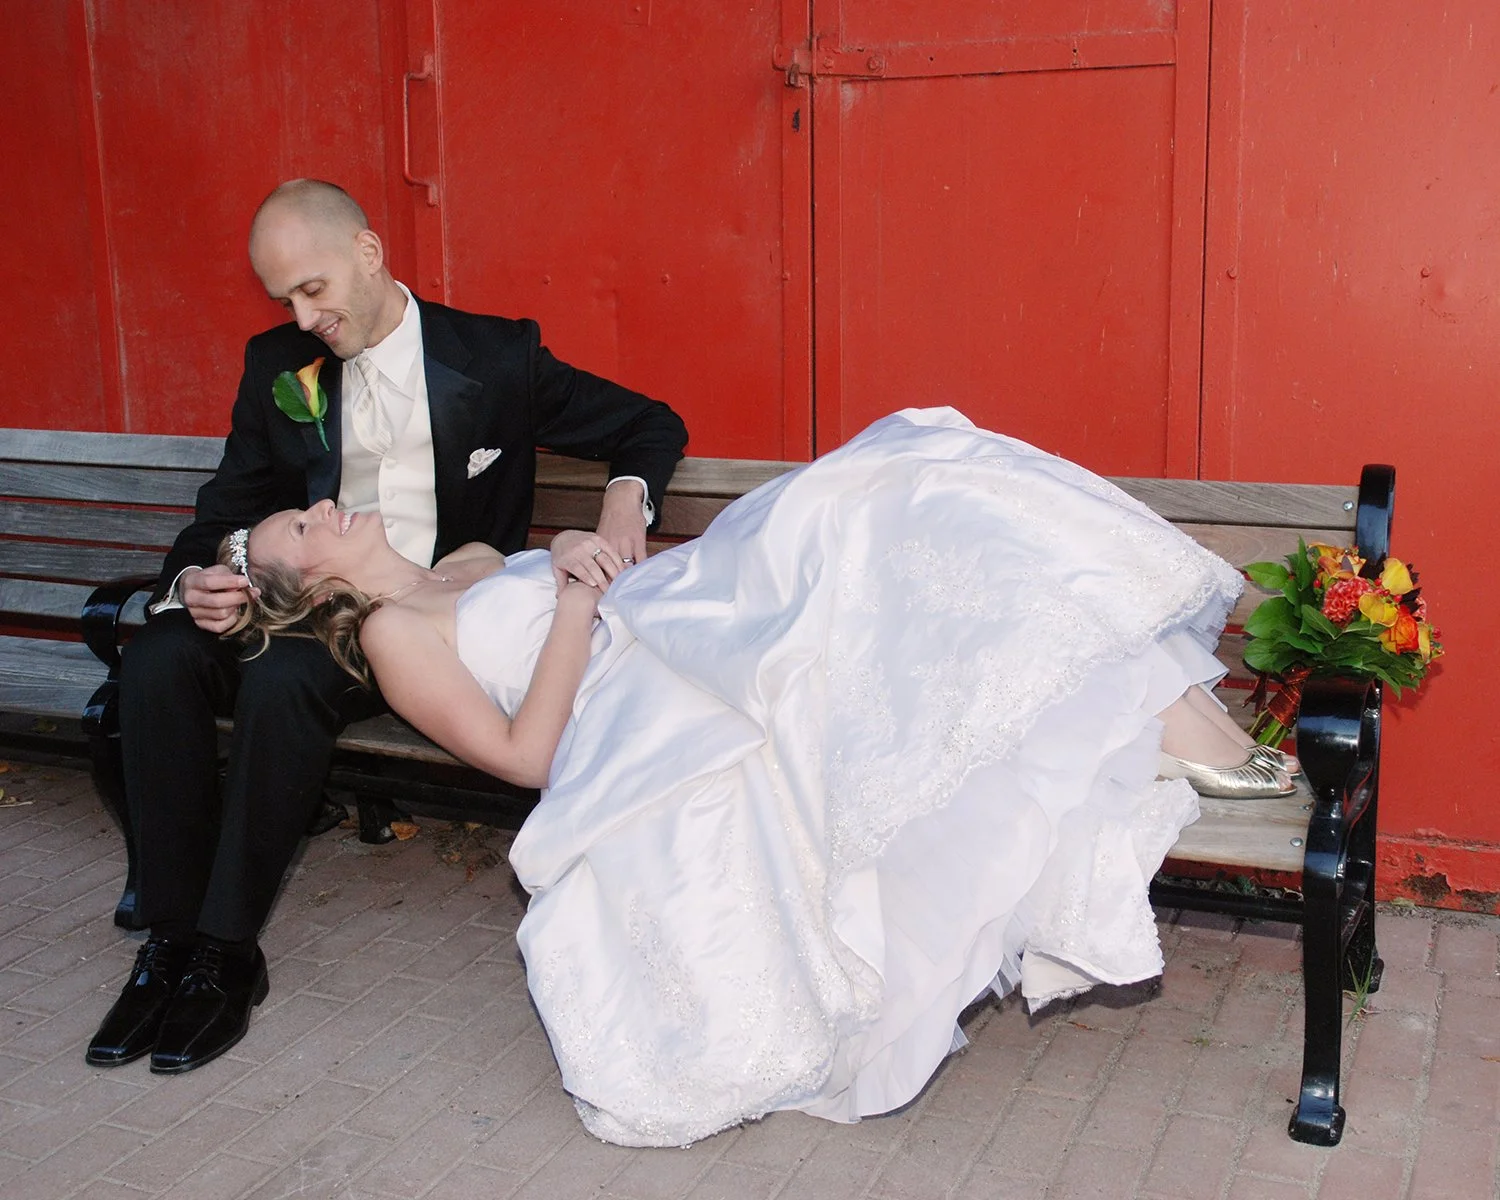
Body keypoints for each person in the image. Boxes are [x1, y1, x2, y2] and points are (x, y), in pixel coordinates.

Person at [217, 407, 1295, 1146]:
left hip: (674, 610)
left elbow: (578, 580)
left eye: (311, 505)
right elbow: (530, 758)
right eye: (304, 527)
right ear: (311, 588)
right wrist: (582, 603)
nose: (327, 510)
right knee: (871, 511)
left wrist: (591, 561)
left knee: (897, 473)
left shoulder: (464, 563)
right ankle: (1187, 730)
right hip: (635, 698)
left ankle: (1170, 713)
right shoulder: (402, 634)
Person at [85, 179, 688, 1076]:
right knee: (161, 657)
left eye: (314, 289)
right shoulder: (279, 369)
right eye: (284, 298)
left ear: (368, 254)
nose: (302, 315)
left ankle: (225, 953)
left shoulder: (495, 356)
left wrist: (619, 507)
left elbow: (648, 425)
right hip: (304, 595)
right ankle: (170, 942)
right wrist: (199, 577)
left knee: (287, 681)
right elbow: (224, 508)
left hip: (415, 623)